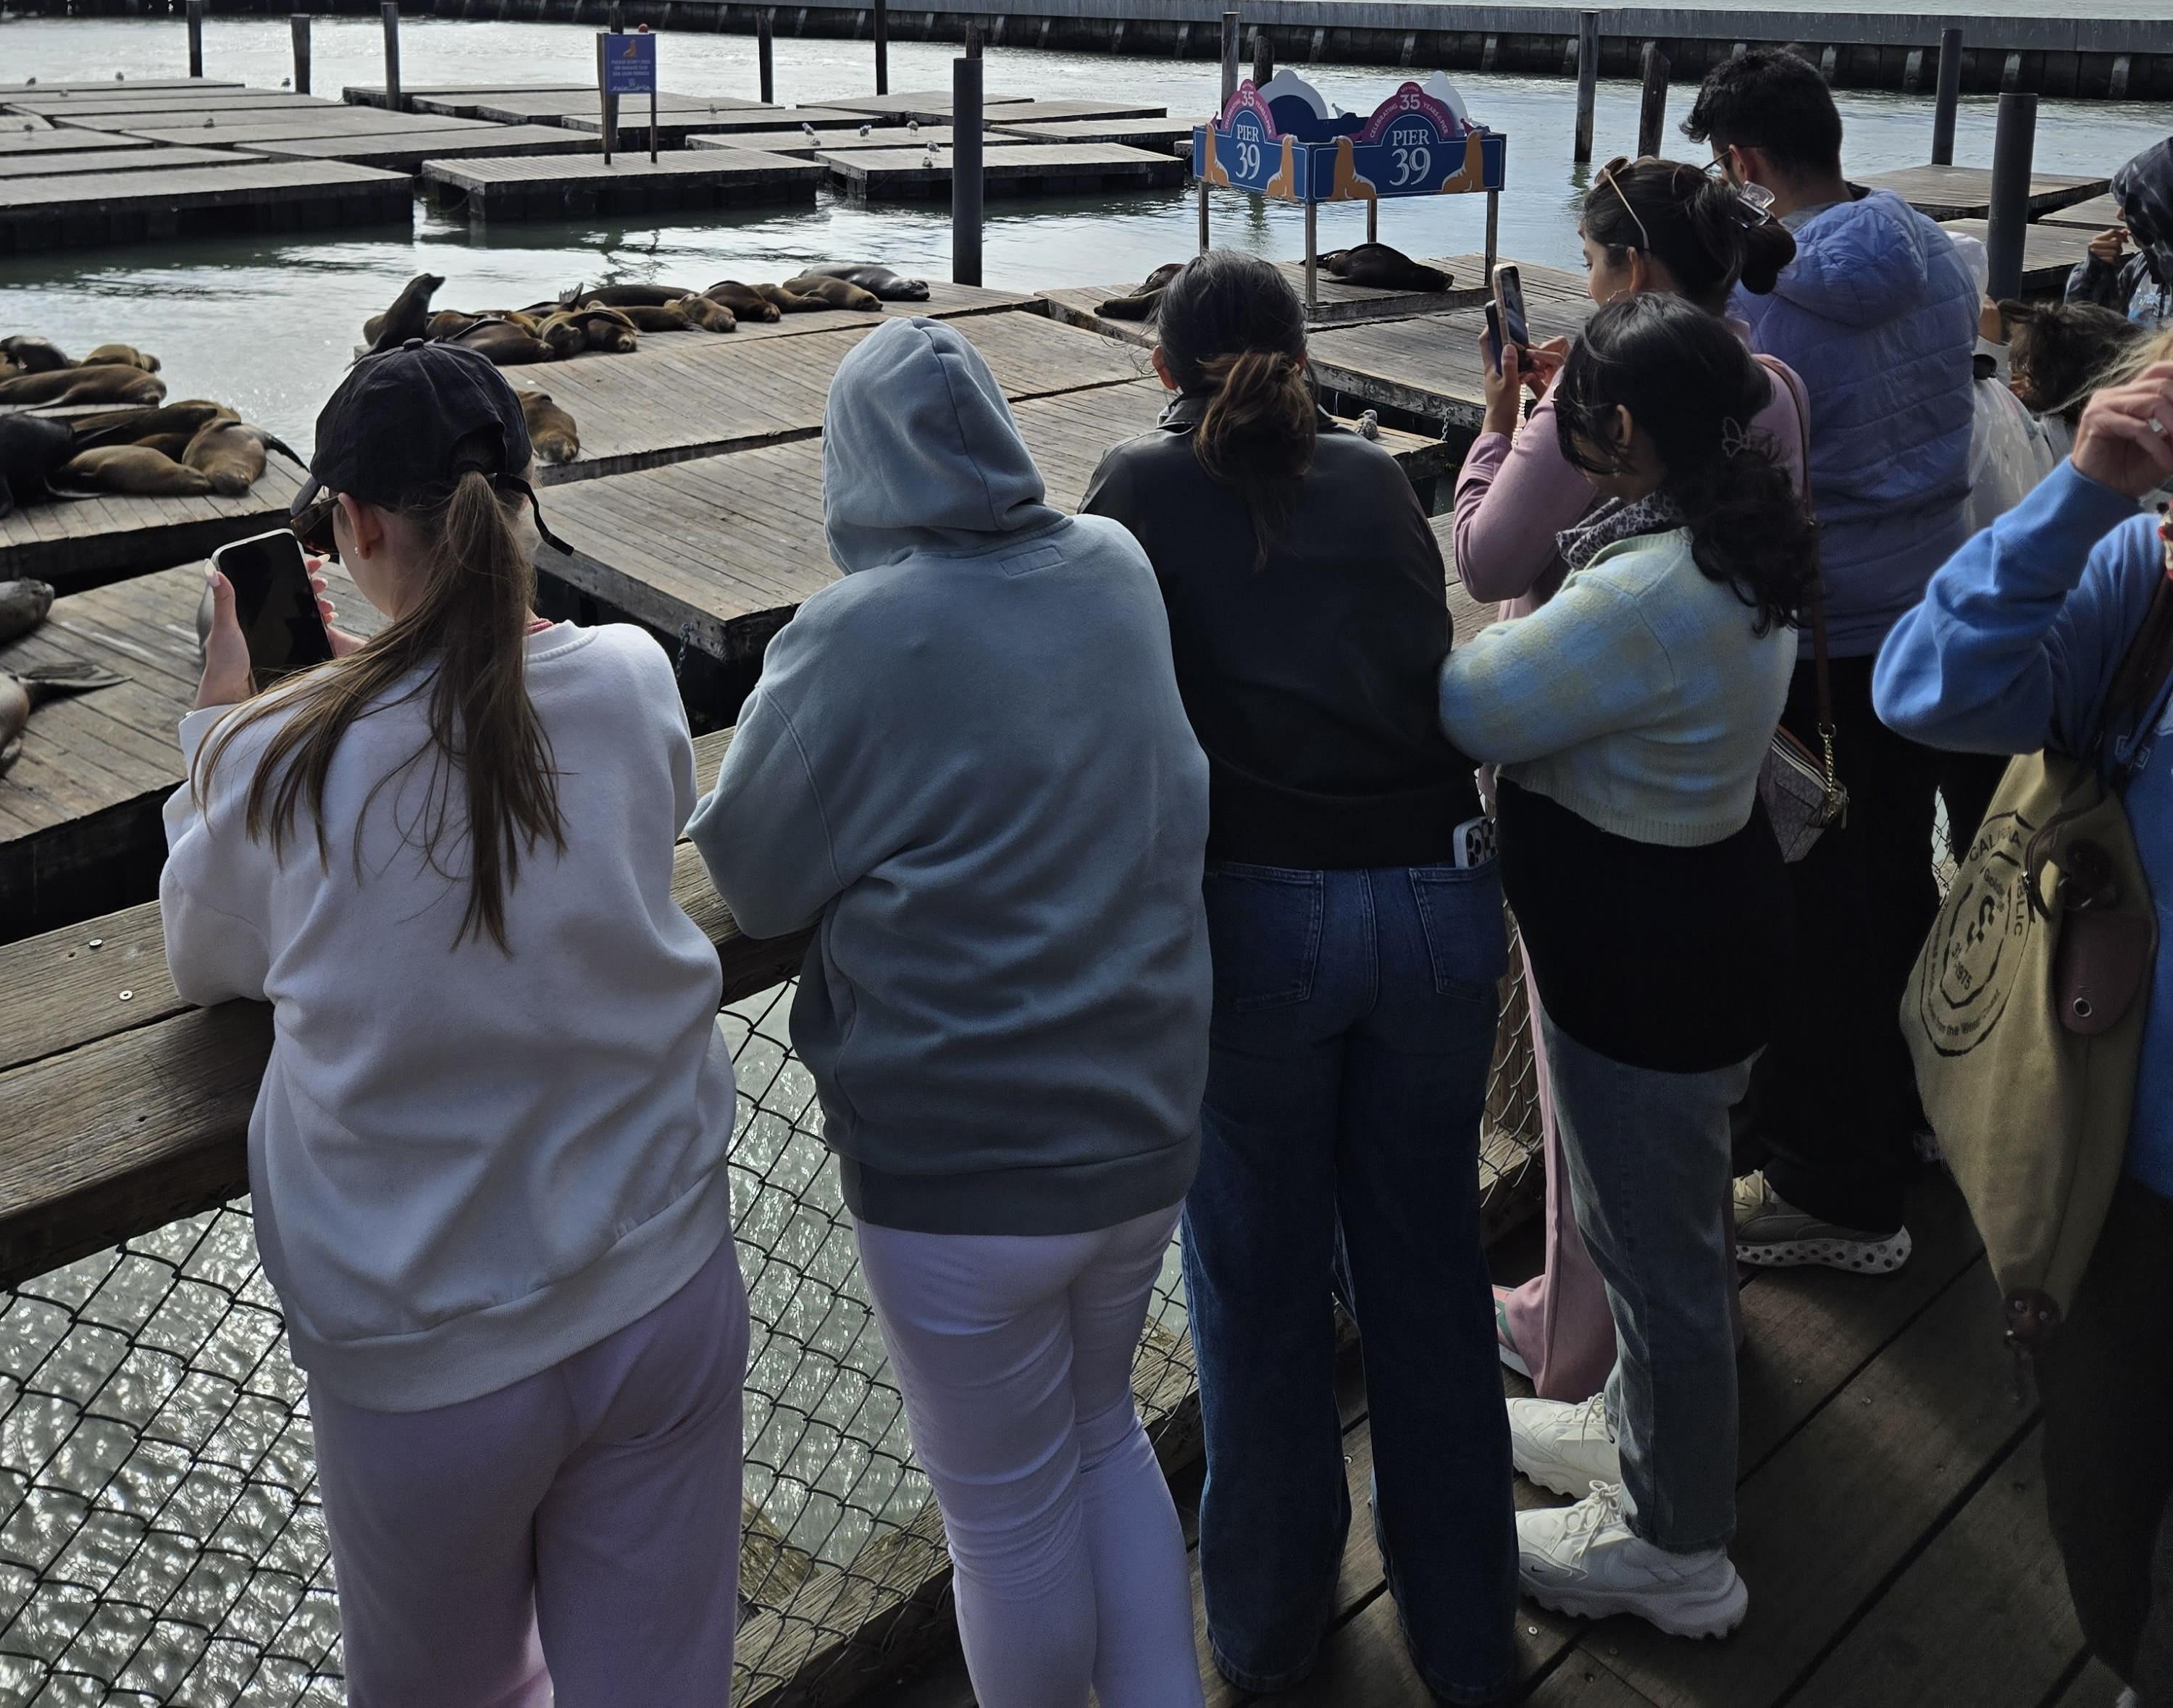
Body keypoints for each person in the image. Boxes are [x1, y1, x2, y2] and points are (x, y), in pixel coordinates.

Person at [162, 342, 746, 1708]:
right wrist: (383, 681)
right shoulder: (631, 676)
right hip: (661, 1276)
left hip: (425, 1349)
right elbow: (580, 781)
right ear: (519, 494)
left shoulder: (280, 758)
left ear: (356, 528)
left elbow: (208, 959)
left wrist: (217, 735)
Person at [690, 318, 1210, 1708]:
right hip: (1144, 1122)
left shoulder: (854, 632)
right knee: (1104, 1438)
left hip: (960, 1169)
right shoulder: (1115, 564)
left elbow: (756, 875)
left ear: (855, 468)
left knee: (1005, 1517)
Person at [1081, 250, 1516, 1707]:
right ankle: (1468, 1640)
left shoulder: (1138, 491)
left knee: (1257, 1288)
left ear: (1163, 367)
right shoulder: (1378, 477)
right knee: (1429, 1273)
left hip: (1260, 909)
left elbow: (1102, 693)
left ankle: (1269, 1637)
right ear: (1302, 352)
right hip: (1441, 890)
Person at [1439, 295, 1812, 1638]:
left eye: (1572, 416)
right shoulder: (1729, 535)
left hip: (1644, 972)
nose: (1564, 432)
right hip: (1699, 936)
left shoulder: (1648, 590)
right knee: (1661, 1241)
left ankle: (1675, 1548)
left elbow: (1470, 702)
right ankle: (1640, 1435)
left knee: (1657, 1268)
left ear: (1625, 431)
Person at [1872, 331, 2173, 1694]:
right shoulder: (2143, 583)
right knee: (2108, 1494)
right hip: (2120, 1166)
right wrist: (2082, 495)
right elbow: (1927, 688)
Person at [1681, 46, 1983, 1275]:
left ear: (1745, 163)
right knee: (1898, 873)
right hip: (1932, 614)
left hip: (1824, 635)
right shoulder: (1937, 252)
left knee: (1812, 910)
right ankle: (1918, 1115)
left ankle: (1834, 1187)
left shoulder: (1760, 307)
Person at [2065, 138, 2173, 329]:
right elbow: (2078, 331)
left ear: (2162, 211)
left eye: (2133, 205)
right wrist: (2093, 273)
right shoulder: (2140, 269)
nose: (2120, 215)